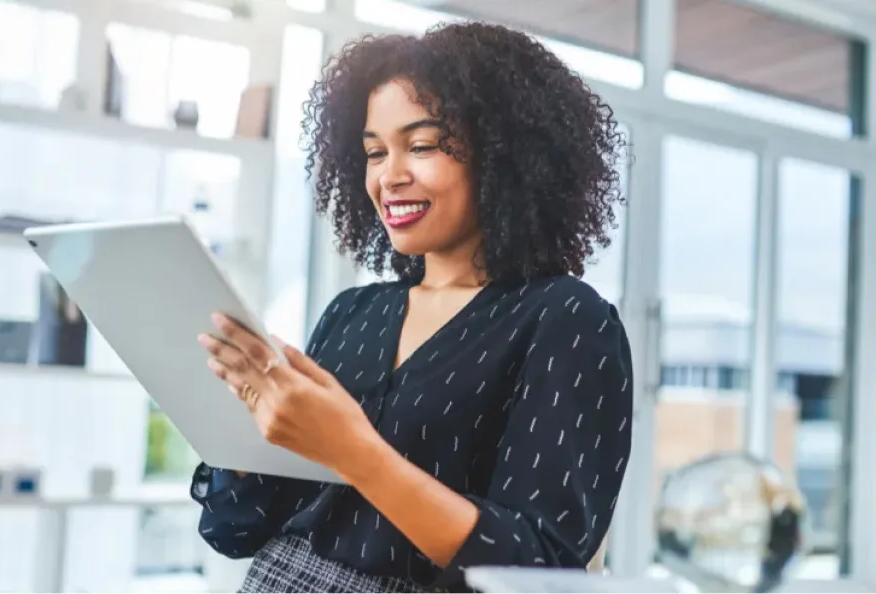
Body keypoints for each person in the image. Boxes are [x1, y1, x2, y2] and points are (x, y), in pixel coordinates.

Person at [192, 20, 633, 593]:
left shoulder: (566, 320)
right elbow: (232, 531)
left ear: (504, 154)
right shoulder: (354, 313)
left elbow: (539, 570)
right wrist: (253, 441)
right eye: (375, 153)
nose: (389, 177)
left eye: (421, 146)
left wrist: (355, 453)